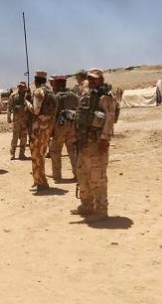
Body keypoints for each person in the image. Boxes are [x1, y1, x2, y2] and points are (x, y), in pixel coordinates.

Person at [71, 68, 118, 222]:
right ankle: (87, 205)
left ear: (101, 80)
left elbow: (110, 119)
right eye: (90, 78)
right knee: (82, 174)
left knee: (97, 177)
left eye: (95, 79)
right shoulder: (87, 94)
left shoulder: (106, 96)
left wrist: (104, 140)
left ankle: (101, 209)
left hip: (97, 143)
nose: (92, 81)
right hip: (84, 142)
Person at [24, 70, 57, 191]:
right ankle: (38, 180)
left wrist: (27, 101)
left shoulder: (39, 92)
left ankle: (40, 182)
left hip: (38, 127)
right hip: (48, 127)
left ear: (36, 80)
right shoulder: (51, 93)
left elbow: (35, 110)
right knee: (41, 154)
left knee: (36, 154)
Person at [49, 75, 79, 181]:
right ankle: (77, 174)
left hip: (60, 126)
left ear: (56, 84)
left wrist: (51, 130)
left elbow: (53, 114)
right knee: (73, 150)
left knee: (55, 150)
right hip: (73, 125)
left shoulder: (56, 97)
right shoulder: (73, 95)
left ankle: (57, 176)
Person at [7, 81, 30, 160]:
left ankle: (22, 154)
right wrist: (8, 117)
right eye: (20, 86)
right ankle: (12, 153)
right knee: (15, 136)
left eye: (23, 87)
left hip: (25, 119)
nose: (21, 88)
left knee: (24, 136)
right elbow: (9, 107)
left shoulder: (27, 95)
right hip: (16, 119)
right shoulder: (13, 95)